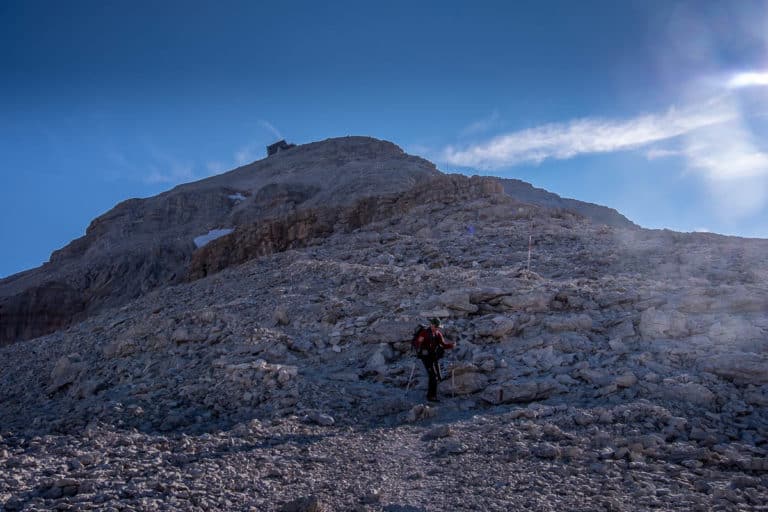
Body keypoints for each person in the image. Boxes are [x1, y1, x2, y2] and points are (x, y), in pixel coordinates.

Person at [414, 318, 455, 402]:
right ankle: (431, 396)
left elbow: (443, 344)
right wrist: (419, 349)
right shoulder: (424, 333)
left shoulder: (437, 333)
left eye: (438, 327)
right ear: (432, 325)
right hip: (425, 357)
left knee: (436, 375)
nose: (437, 328)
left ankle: (433, 393)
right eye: (436, 326)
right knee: (433, 376)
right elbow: (417, 343)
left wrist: (451, 346)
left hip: (433, 356)